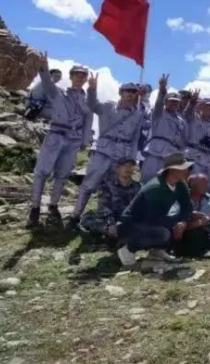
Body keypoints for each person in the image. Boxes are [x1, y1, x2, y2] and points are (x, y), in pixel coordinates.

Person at [69, 78, 145, 226]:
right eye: (126, 91)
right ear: (121, 93)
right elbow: (92, 105)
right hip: (103, 150)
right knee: (89, 184)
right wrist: (92, 89)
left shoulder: (137, 115)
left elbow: (135, 138)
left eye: (133, 92)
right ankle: (75, 216)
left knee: (112, 187)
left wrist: (132, 158)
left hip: (122, 155)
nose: (130, 94)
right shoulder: (108, 106)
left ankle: (103, 219)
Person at [29, 57, 93, 227]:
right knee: (42, 171)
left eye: (83, 76)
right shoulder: (59, 93)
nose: (80, 78)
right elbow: (47, 84)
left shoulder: (87, 101)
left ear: (86, 79)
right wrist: (44, 68)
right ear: (71, 77)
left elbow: (88, 121)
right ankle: (35, 207)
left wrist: (85, 141)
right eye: (77, 75)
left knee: (62, 174)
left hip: (73, 139)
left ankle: (53, 205)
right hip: (56, 134)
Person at [116, 152, 195, 266]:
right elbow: (144, 217)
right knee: (164, 233)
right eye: (185, 168)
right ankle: (128, 249)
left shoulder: (180, 185)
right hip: (131, 225)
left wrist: (183, 222)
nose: (189, 171)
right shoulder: (155, 188)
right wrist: (169, 228)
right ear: (173, 170)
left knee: (178, 224)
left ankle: (157, 251)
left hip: (153, 220)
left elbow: (187, 206)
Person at [78, 158, 141, 243]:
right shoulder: (107, 184)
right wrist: (111, 224)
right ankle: (108, 232)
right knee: (86, 218)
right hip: (109, 217)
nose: (128, 168)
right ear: (118, 168)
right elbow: (103, 206)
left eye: (131, 166)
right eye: (125, 166)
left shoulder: (138, 187)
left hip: (128, 219)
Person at [142, 75, 189, 181]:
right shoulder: (159, 113)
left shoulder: (181, 121)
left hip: (171, 154)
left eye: (176, 102)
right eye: (171, 101)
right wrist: (162, 90)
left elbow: (182, 140)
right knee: (148, 179)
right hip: (156, 150)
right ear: (166, 102)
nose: (174, 104)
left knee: (163, 182)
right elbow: (159, 103)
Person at [174, 173, 210, 256]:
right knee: (194, 234)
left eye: (207, 183)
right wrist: (196, 222)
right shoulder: (182, 197)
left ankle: (196, 249)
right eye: (203, 184)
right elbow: (177, 214)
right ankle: (201, 250)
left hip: (206, 230)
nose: (207, 186)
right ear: (192, 185)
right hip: (187, 229)